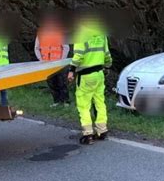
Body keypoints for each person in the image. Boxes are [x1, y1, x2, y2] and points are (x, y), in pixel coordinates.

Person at [68, 15, 112, 144]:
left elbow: (79, 55)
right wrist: (107, 66)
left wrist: (71, 70)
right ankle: (102, 130)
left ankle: (88, 134)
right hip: (99, 73)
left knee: (84, 105)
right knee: (100, 102)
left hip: (86, 76)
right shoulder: (101, 34)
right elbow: (107, 55)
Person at [35, 14, 70, 106]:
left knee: (62, 83)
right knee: (52, 83)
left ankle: (65, 101)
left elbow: (66, 47)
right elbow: (37, 48)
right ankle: (56, 101)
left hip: (59, 64)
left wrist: (62, 61)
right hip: (47, 64)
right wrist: (41, 59)